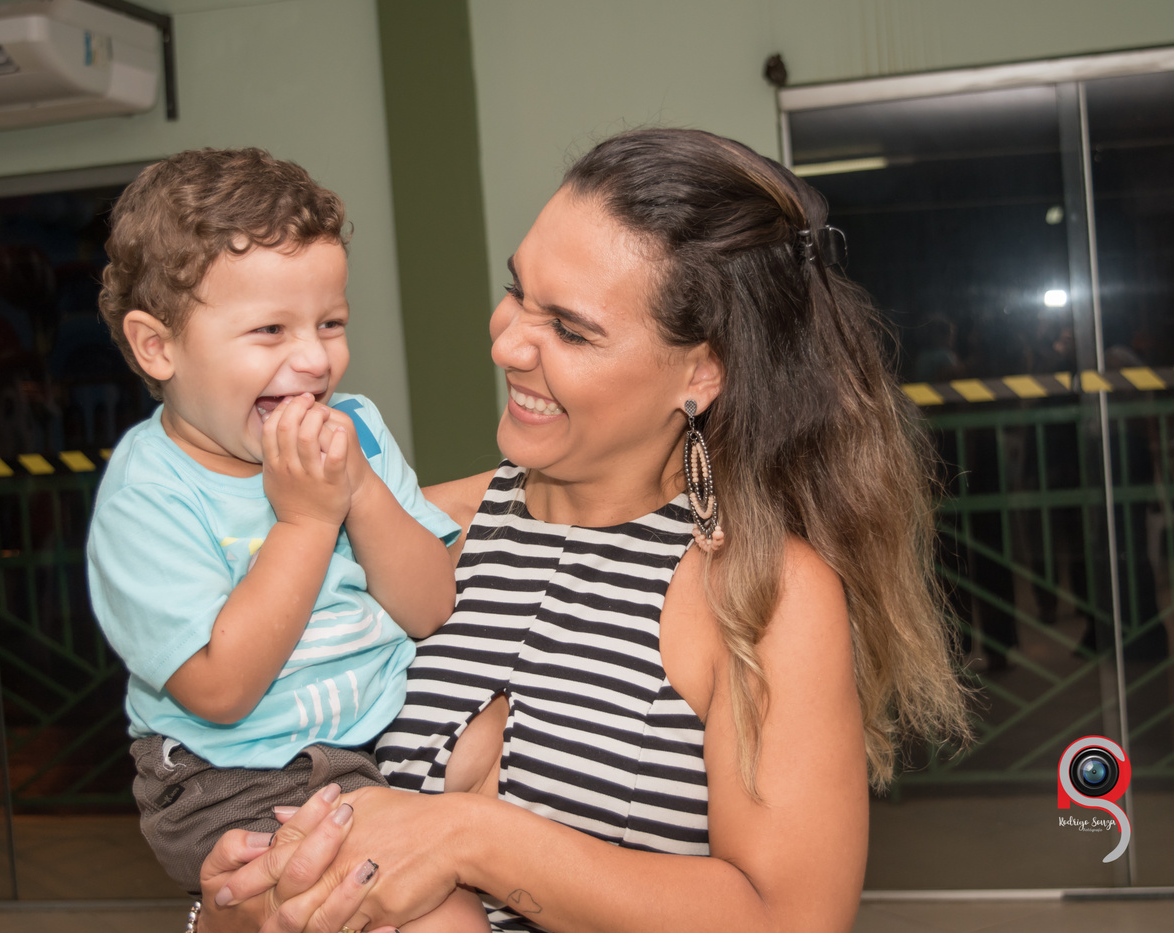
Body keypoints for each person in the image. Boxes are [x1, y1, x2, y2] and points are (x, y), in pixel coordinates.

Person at [196, 128, 973, 933]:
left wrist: (469, 837)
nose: (506, 342)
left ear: (701, 371)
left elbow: (792, 919)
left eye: (571, 329)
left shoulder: (761, 592)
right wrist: (232, 911)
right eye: (517, 290)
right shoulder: (409, 532)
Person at [88, 148, 489, 932]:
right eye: (269, 329)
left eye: (330, 323)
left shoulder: (356, 430)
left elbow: (429, 606)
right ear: (157, 346)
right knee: (443, 918)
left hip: (377, 724)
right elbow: (220, 691)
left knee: (526, 749)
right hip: (237, 775)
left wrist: (360, 489)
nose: (313, 359)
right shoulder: (149, 496)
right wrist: (307, 521)